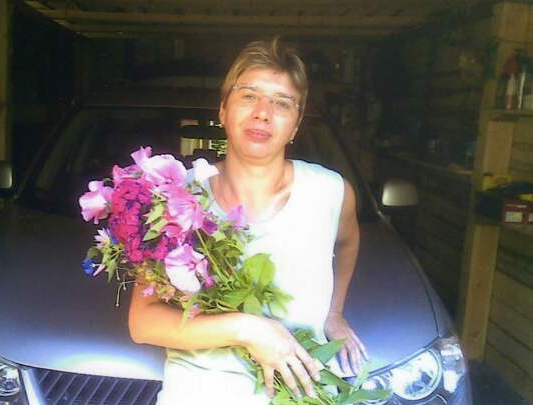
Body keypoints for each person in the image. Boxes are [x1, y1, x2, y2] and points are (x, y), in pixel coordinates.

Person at [128, 37, 367, 404]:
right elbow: (143, 322)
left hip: (300, 395)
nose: (263, 113)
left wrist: (334, 312)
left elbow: (348, 241)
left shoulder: (331, 192)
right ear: (223, 110)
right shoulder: (175, 199)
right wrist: (248, 329)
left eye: (282, 102)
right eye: (249, 95)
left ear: (296, 125)